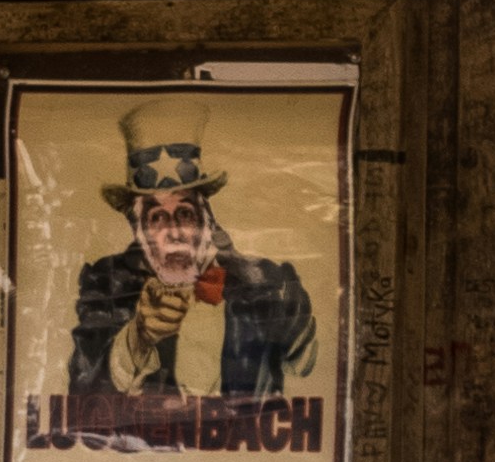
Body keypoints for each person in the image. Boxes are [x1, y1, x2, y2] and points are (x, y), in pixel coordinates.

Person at [63, 127, 316, 432]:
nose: (174, 232)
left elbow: (306, 367)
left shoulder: (267, 282)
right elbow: (81, 395)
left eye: (184, 214)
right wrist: (138, 337)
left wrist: (281, 305)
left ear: (207, 221)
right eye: (157, 217)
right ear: (138, 230)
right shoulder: (107, 282)